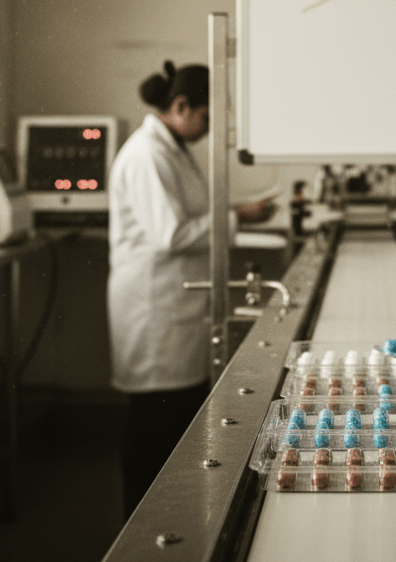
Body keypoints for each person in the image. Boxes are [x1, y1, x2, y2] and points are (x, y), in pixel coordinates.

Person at [107, 61, 273, 519]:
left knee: (173, 419)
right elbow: (171, 234)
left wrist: (240, 209)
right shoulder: (147, 154)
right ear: (180, 106)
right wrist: (241, 218)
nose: (207, 129)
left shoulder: (172, 149)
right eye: (205, 117)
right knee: (153, 425)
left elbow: (192, 214)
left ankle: (170, 519)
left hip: (175, 308)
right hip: (155, 310)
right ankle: (141, 529)